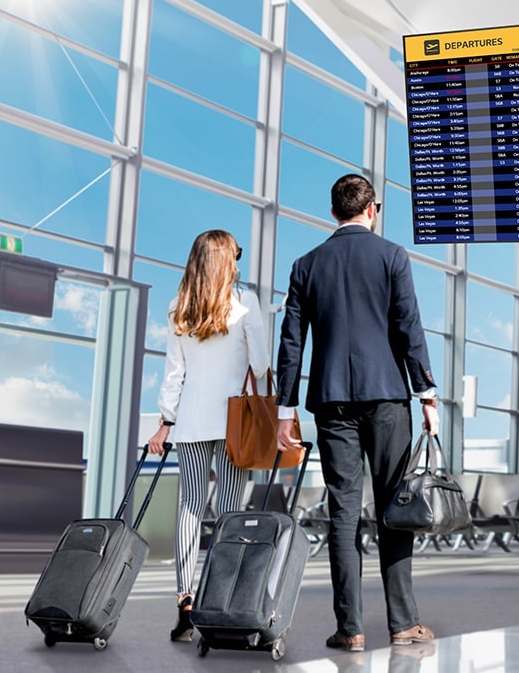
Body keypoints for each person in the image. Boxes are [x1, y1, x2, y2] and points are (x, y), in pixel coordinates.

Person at [275, 174, 439, 653]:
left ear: (333, 213)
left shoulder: (306, 265)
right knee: (394, 508)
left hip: (330, 401)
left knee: (343, 513)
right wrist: (426, 395)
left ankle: (350, 629)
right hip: (387, 397)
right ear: (374, 209)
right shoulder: (392, 256)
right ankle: (404, 623)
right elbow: (409, 326)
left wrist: (286, 410)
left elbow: (291, 343)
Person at [148, 229, 269, 642]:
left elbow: (174, 375)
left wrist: (166, 419)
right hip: (236, 422)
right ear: (226, 260)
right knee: (231, 510)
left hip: (192, 424)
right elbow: (262, 362)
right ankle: (223, 598)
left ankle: (185, 600)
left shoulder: (178, 308)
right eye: (235, 254)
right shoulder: (244, 303)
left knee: (190, 506)